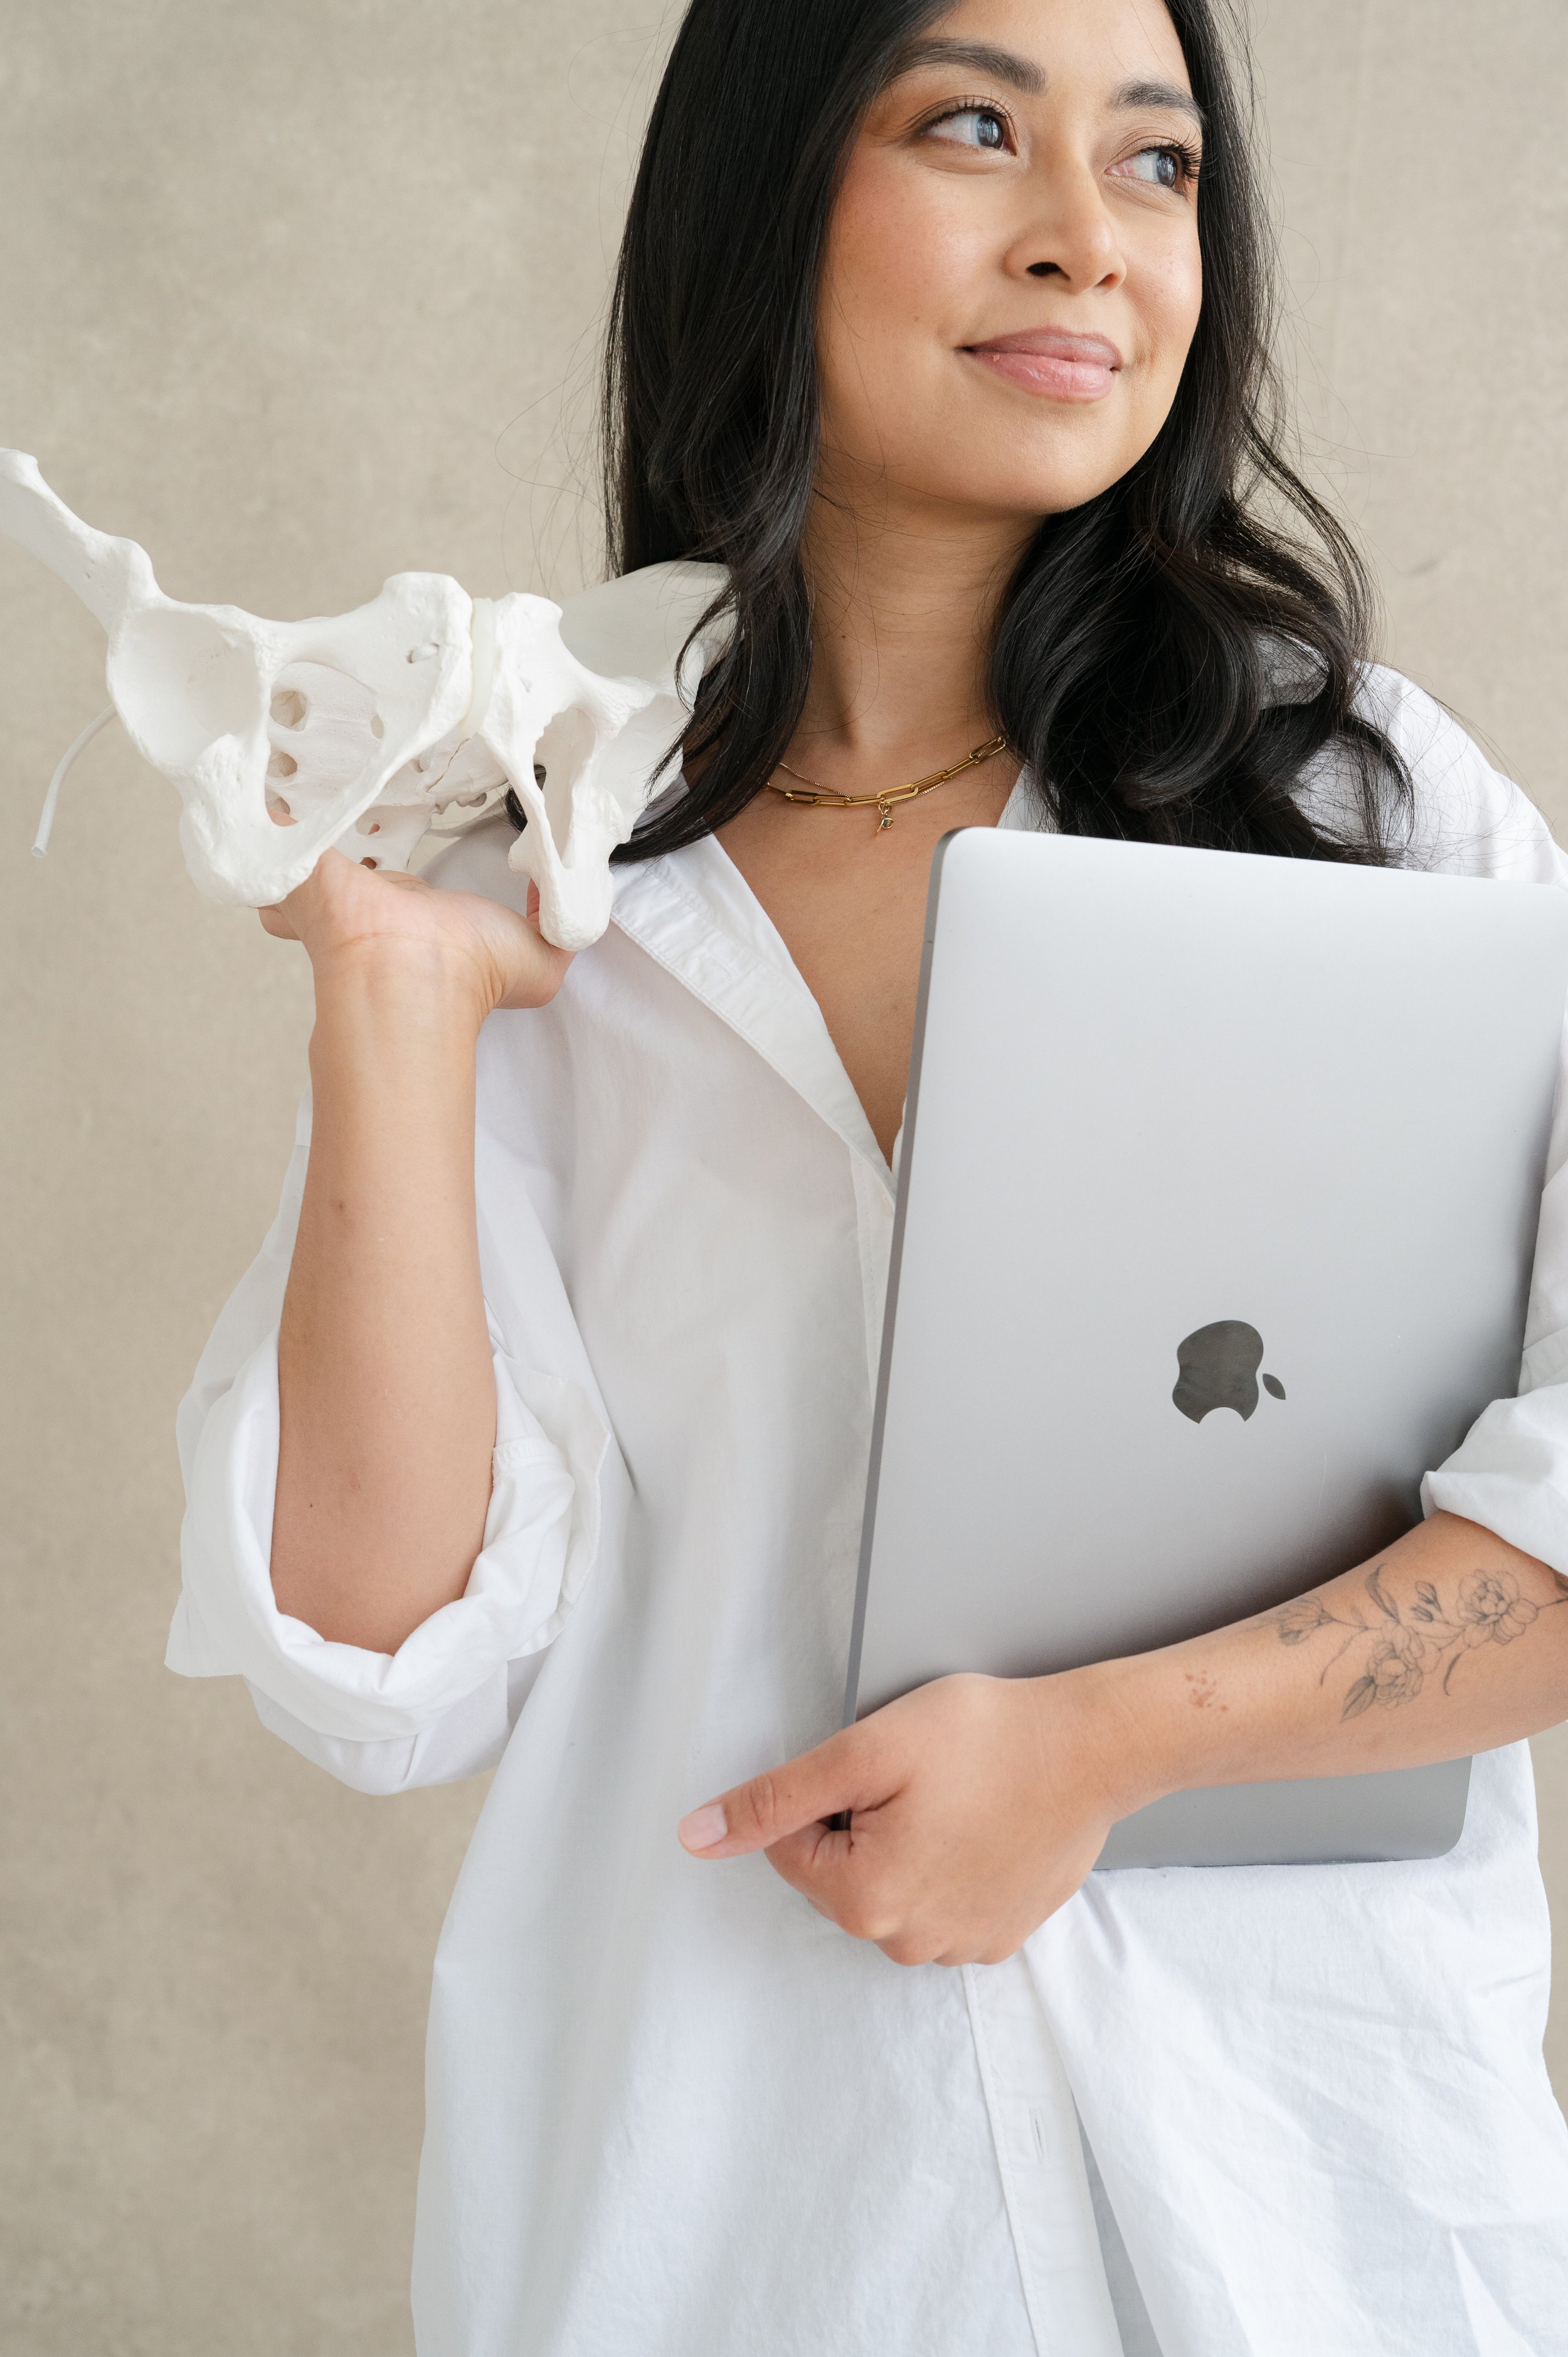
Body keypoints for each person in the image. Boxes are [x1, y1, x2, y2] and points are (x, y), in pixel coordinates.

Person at [169, 0, 1568, 2348]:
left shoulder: (1371, 818)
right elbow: (385, 1660)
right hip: (725, 2239)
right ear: (765, 196)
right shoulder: (525, 853)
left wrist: (1100, 1750)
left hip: (1302, 2231)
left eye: (1154, 166)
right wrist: (399, 1007)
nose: (1083, 245)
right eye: (970, 129)